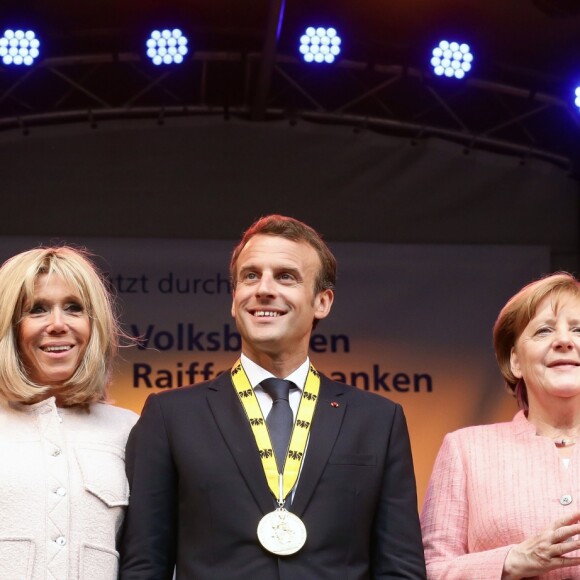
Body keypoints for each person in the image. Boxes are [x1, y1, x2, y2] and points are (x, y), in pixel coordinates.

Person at [120, 214, 426, 579]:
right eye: (250, 276)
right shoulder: (170, 416)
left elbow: (401, 568)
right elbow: (143, 565)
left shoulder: (378, 420)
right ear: (235, 301)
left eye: (286, 276)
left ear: (322, 302)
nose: (264, 289)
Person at [421, 272, 580, 579]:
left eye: (579, 330)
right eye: (544, 331)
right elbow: (431, 570)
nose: (564, 341)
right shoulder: (466, 449)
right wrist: (512, 561)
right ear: (515, 361)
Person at [0, 246, 138, 580]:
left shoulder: (131, 430)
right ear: (9, 327)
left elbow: (149, 558)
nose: (58, 324)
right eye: (37, 310)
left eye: (74, 308)